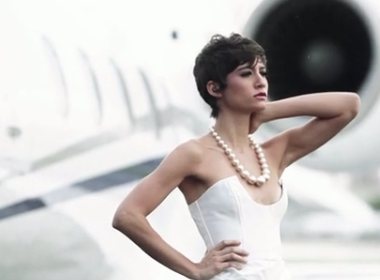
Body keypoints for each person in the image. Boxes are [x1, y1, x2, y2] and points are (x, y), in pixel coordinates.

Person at [112, 33, 360, 280]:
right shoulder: (194, 154)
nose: (260, 81)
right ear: (215, 88)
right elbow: (127, 216)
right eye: (246, 73)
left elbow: (348, 106)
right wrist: (194, 270)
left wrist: (268, 111)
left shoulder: (275, 152)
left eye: (262, 72)